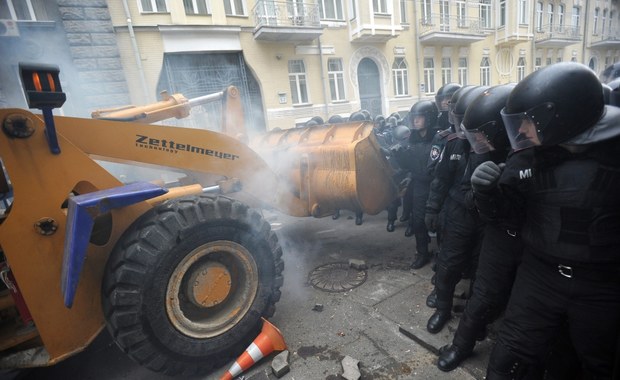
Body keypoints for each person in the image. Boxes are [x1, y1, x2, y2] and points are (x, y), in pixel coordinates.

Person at [471, 62, 620, 379]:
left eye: (529, 120)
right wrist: (486, 192)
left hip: (602, 286)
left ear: (559, 116)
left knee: (597, 364)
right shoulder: (528, 158)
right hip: (540, 277)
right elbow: (508, 216)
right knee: (507, 360)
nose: (522, 130)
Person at [435, 83, 518, 371]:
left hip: (520, 237)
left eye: (481, 134)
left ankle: (481, 332)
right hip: (478, 221)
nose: (477, 140)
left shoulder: (527, 157)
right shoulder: (469, 148)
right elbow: (450, 183)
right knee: (471, 281)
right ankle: (460, 342)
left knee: (500, 297)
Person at [424, 85, 489, 333]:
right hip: (457, 213)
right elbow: (440, 179)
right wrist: (432, 209)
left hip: (485, 218)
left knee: (479, 268)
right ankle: (443, 308)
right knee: (449, 263)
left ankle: (474, 316)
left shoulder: (497, 146)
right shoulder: (453, 143)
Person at [392, 100, 437, 268]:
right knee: (418, 221)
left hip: (436, 185)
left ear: (430, 118)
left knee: (440, 222)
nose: (415, 121)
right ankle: (422, 253)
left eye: (420, 118)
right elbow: (407, 166)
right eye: (414, 118)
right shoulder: (411, 139)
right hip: (419, 185)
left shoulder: (440, 138)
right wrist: (399, 155)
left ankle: (442, 255)